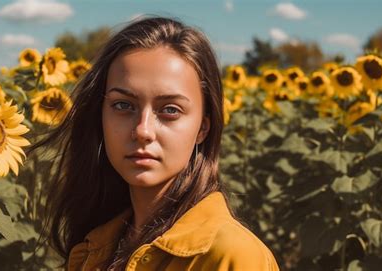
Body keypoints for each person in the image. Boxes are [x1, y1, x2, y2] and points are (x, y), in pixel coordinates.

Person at [36, 17, 279, 271]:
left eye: (170, 110)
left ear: (203, 128)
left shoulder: (235, 258)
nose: (143, 131)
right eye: (123, 105)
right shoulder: (94, 249)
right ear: (100, 116)